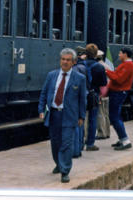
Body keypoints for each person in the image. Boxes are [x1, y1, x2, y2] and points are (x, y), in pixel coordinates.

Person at [38, 48, 86, 183]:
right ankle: (58, 164)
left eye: (68, 60)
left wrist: (81, 116)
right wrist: (41, 109)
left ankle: (65, 171)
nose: (65, 62)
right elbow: (44, 93)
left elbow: (83, 99)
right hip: (53, 114)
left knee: (66, 144)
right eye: (63, 59)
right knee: (55, 143)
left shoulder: (80, 78)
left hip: (69, 116)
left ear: (74, 62)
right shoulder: (51, 75)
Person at [106, 48, 133, 151]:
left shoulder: (128, 65)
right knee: (116, 116)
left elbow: (119, 79)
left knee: (114, 117)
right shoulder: (126, 64)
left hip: (118, 92)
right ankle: (122, 138)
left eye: (120, 53)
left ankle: (125, 139)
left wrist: (106, 71)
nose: (118, 55)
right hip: (118, 92)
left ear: (125, 54)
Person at [82, 44, 107, 151]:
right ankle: (90, 143)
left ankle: (79, 142)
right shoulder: (99, 67)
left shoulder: (80, 65)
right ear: (96, 54)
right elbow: (103, 82)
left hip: (81, 94)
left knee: (81, 118)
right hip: (94, 94)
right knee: (92, 119)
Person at [95, 50, 111, 139]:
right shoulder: (106, 65)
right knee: (105, 113)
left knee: (100, 113)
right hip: (107, 91)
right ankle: (107, 132)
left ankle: (101, 133)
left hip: (101, 92)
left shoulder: (99, 66)